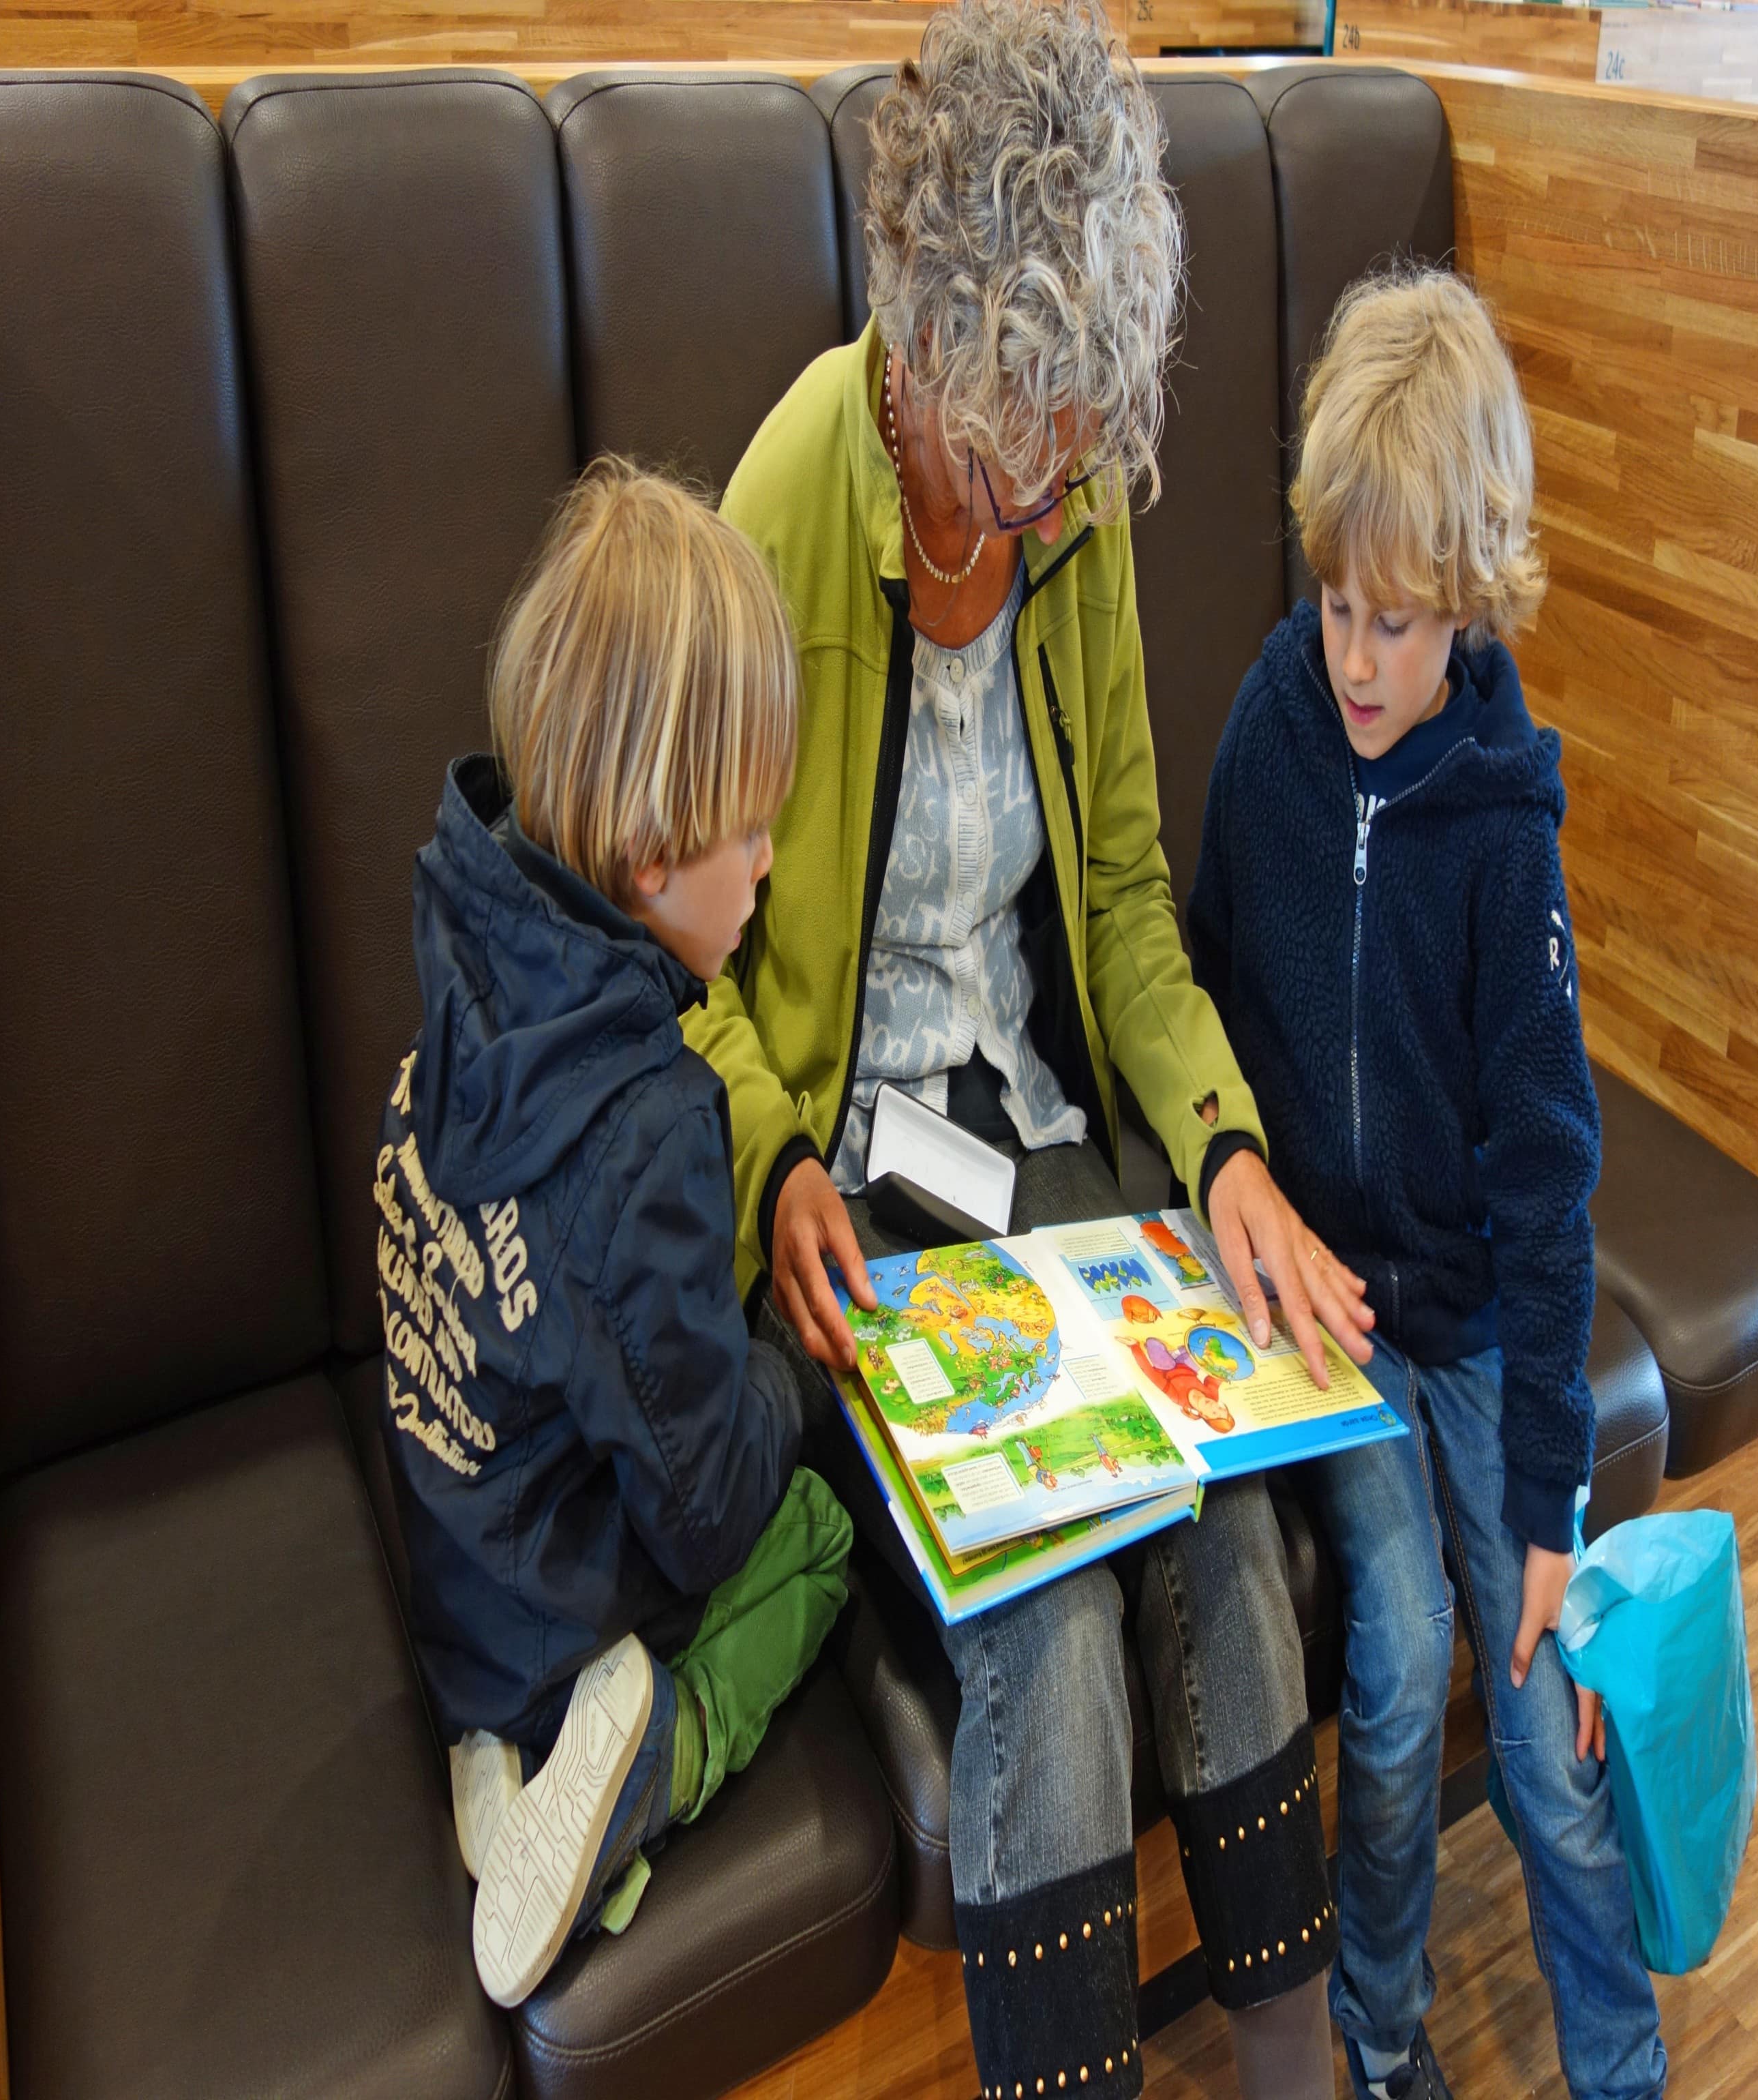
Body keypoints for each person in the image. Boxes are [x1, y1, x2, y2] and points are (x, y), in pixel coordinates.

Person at [695, 5, 1376, 2095]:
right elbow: (676, 950)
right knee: (1052, 1605)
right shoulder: (797, 494)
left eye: (1078, 433)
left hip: (1039, 1123)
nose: (1049, 483)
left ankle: (1287, 2058)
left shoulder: (1070, 498)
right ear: (923, 336)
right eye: (1014, 438)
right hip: (861, 1163)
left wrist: (1230, 1152)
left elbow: (1122, 911)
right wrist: (768, 1165)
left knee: (1235, 1524)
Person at [1189, 269, 1667, 2100]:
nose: (1357, 661)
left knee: (1545, 1731)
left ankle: (1619, 2062)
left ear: (1474, 601)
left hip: (1470, 1330)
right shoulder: (1273, 723)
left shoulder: (1503, 827)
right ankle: (1379, 2045)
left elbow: (1552, 1184)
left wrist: (1548, 1501)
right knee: (1392, 1676)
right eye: (1333, 608)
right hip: (1322, 1311)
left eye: (1398, 622)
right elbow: (1207, 986)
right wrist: (1221, 1197)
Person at [373, 461, 853, 2012]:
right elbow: (710, 1508)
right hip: (559, 1605)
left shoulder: (469, 909)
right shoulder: (640, 1122)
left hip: (452, 1564)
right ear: (653, 856)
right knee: (821, 1543)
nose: (768, 863)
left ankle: (497, 1756)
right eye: (753, 832)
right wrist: (799, 1378)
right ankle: (643, 1753)